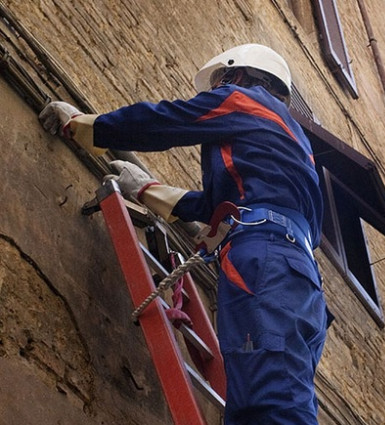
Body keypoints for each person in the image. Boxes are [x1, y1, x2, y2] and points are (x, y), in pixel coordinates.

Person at [39, 43, 330, 425]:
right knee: (261, 402)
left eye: (220, 83)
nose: (215, 93)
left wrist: (84, 126)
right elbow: (220, 206)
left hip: (264, 262)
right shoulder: (294, 145)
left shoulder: (243, 100)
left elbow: (166, 121)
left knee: (268, 403)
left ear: (237, 75)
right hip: (303, 286)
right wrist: (147, 190)